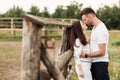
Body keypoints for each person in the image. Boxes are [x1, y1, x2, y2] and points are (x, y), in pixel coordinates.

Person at [80, 7, 109, 80]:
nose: (85, 22)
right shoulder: (95, 28)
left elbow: (102, 52)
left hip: (100, 63)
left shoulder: (100, 29)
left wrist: (86, 55)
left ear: (90, 16)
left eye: (85, 19)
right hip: (95, 62)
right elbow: (89, 43)